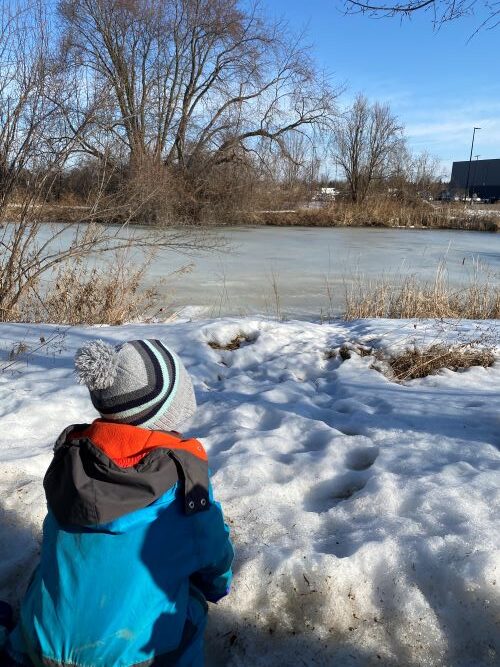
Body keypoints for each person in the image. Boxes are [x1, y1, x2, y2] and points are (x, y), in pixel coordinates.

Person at [1, 338, 233, 666]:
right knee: (192, 603)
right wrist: (217, 586)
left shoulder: (70, 463)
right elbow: (214, 555)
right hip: (135, 658)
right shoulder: (182, 482)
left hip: (43, 648)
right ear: (167, 411)